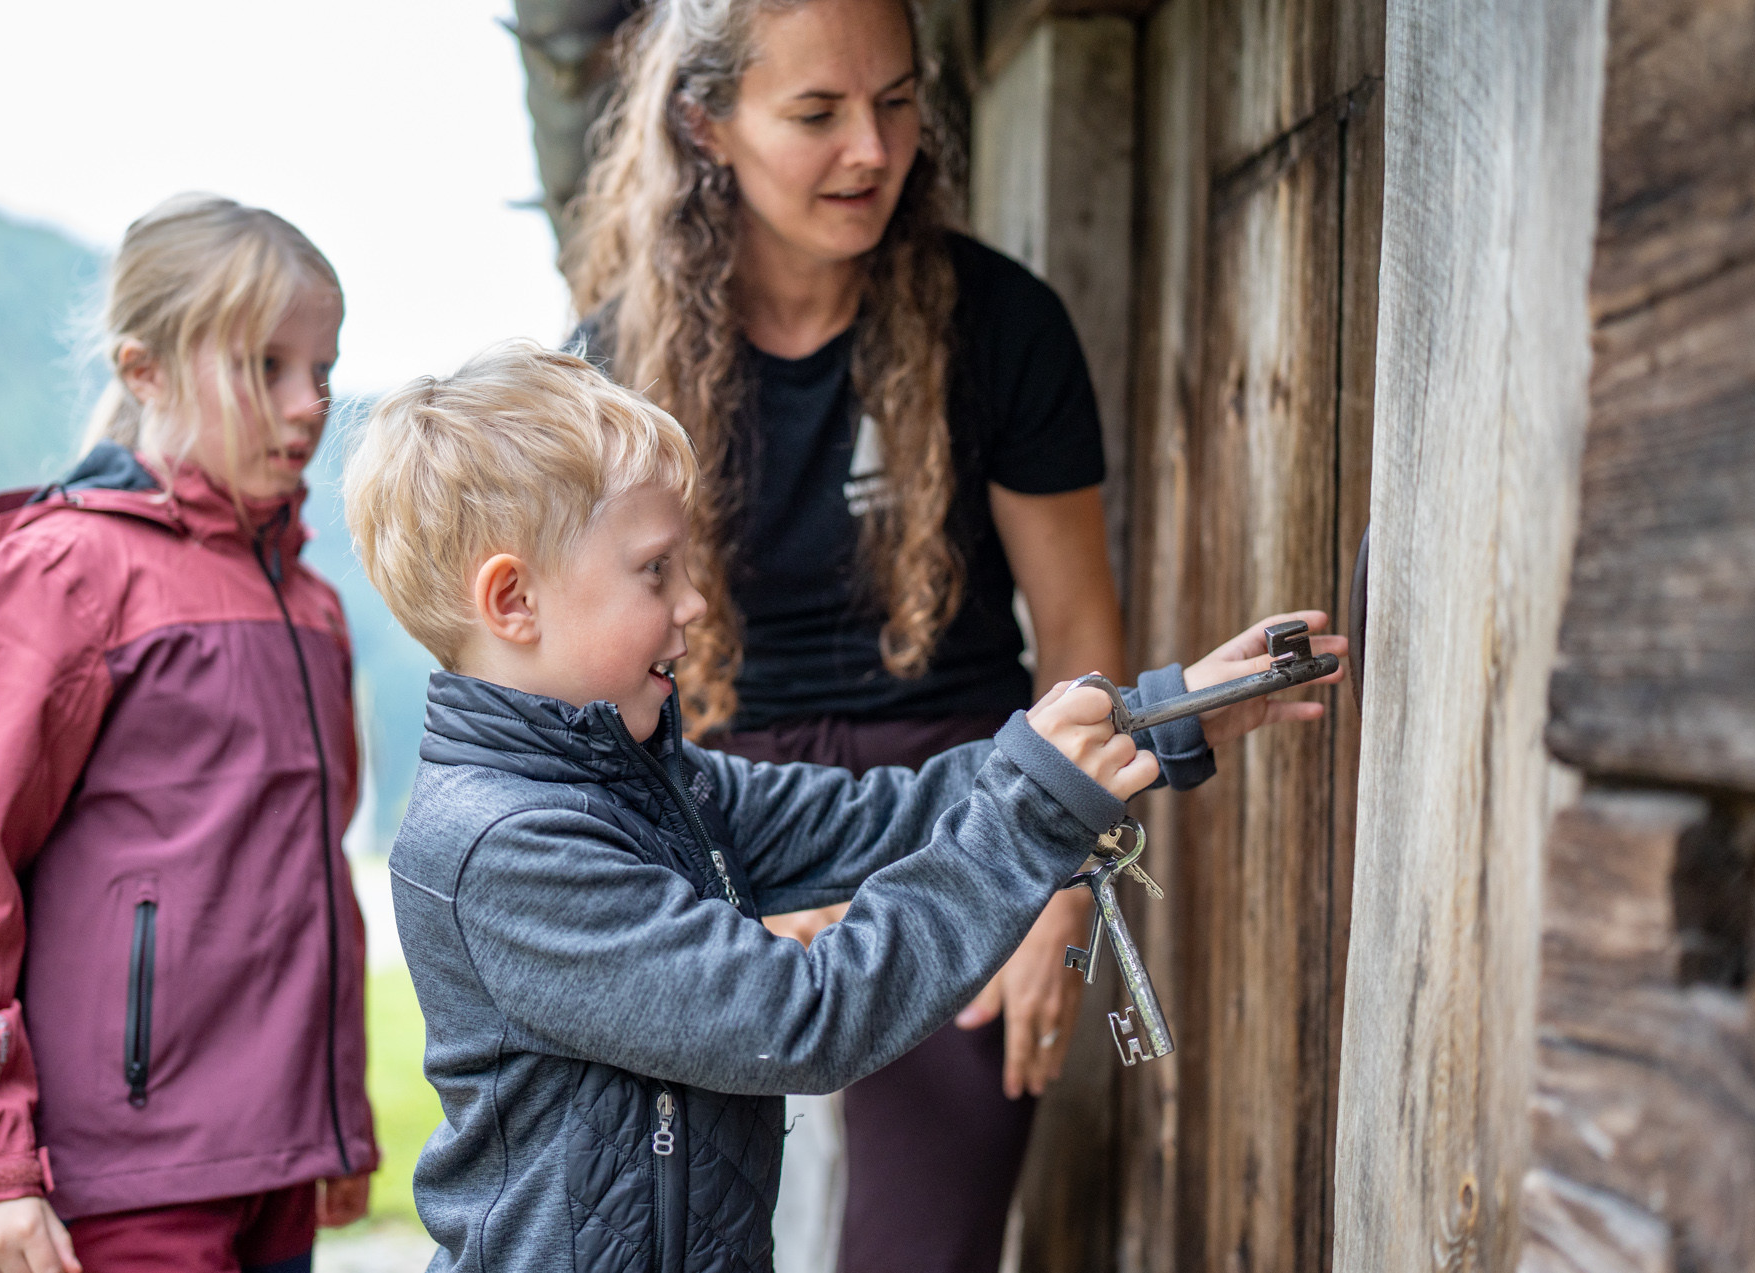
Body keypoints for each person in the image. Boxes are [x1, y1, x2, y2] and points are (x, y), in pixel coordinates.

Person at [560, 0, 1346, 1266]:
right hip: (721, 812)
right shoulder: (610, 367)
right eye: (816, 113)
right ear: (704, 124)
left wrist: (1053, 897)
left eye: (897, 100)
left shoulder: (998, 323)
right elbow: (584, 680)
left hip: (962, 814)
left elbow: (1080, 626)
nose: (873, 150)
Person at [340, 341, 1339, 1273]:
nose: (694, 600)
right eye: (654, 570)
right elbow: (802, 1018)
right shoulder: (509, 849)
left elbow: (891, 817)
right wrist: (1032, 822)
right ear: (512, 602)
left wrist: (1156, 721)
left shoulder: (650, 779)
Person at [0, 194, 378, 1273]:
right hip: (124, 1180)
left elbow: (308, 876)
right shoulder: (67, 571)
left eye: (322, 368)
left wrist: (334, 1117)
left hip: (274, 1166)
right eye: (264, 367)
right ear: (144, 369)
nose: (308, 404)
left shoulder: (313, 605)